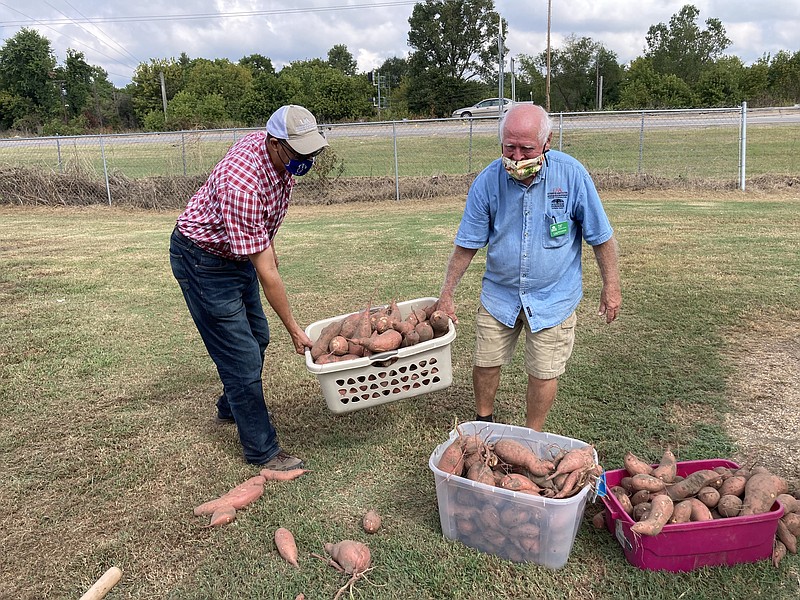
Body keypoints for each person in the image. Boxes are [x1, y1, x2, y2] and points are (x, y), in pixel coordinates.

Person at [436, 103, 621, 431]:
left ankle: (532, 433)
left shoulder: (572, 175)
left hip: (554, 297)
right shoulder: (487, 182)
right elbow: (467, 244)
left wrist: (612, 286)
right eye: (510, 147)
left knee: (543, 370)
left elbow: (601, 238)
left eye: (526, 148)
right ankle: (484, 421)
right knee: (486, 361)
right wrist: (447, 293)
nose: (517, 158)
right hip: (500, 295)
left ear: (548, 142)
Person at [169, 104, 328, 468]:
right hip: (203, 261)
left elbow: (264, 225)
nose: (307, 160)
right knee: (241, 355)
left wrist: (268, 246)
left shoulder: (278, 156)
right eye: (300, 153)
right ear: (274, 143)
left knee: (257, 337)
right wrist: (294, 328)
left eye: (313, 152)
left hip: (235, 254)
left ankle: (230, 406)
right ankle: (262, 450)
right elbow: (267, 274)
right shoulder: (243, 181)